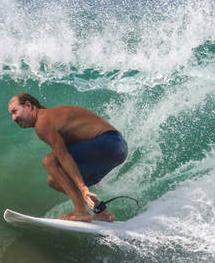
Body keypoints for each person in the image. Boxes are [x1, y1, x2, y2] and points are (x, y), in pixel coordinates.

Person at [8, 92, 128, 222]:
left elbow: (63, 156)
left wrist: (82, 187)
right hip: (118, 149)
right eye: (11, 114)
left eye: (15, 111)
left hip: (108, 142)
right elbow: (73, 153)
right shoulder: (54, 119)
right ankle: (101, 211)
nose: (14, 118)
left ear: (28, 105)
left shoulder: (42, 122)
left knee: (49, 161)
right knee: (54, 181)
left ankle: (81, 211)